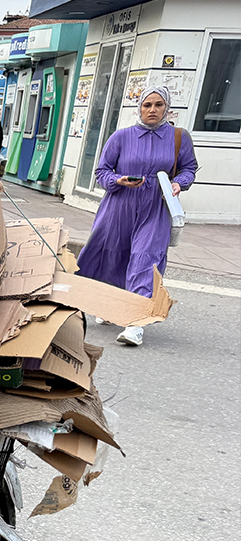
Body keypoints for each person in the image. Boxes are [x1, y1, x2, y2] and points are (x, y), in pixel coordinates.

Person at [76, 85, 197, 347]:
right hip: (120, 205)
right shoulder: (121, 136)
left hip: (156, 206)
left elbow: (189, 168)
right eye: (147, 105)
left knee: (146, 258)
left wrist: (179, 183)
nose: (152, 110)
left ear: (167, 108)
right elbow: (101, 171)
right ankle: (111, 303)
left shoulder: (178, 137)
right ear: (139, 108)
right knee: (112, 255)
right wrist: (117, 180)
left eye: (158, 105)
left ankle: (135, 323)